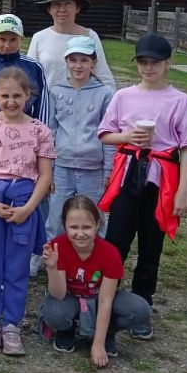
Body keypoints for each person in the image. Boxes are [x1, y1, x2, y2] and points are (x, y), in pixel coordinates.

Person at [97, 33, 187, 340]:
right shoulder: (124, 96)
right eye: (143, 62)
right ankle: (106, 301)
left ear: (168, 64)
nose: (148, 68)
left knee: (151, 246)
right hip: (128, 174)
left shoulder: (179, 100)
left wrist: (183, 190)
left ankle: (142, 306)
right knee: (116, 241)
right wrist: (126, 137)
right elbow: (104, 134)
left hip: (161, 178)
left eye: (155, 62)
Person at [0, 67, 55, 356]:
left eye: (18, 95)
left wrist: (29, 208)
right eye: (5, 95)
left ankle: (12, 324)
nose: (11, 101)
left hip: (23, 199)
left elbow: (44, 175)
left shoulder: (41, 130)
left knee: (17, 265)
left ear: (28, 95)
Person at [40, 195, 151, 366]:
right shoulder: (57, 247)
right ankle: (66, 330)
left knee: (140, 309)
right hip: (69, 299)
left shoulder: (110, 253)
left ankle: (106, 334)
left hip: (98, 299)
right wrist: (52, 267)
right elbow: (59, 294)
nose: (81, 233)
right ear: (64, 226)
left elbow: (106, 300)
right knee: (54, 312)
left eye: (87, 227)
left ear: (98, 225)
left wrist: (98, 344)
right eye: (74, 227)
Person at [45, 36, 114, 240]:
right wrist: (48, 168)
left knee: (94, 215)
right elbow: (50, 131)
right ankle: (55, 259)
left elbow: (108, 135)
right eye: (73, 60)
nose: (78, 65)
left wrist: (108, 169)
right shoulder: (56, 91)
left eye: (84, 60)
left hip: (94, 169)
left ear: (93, 63)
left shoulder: (104, 94)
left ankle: (94, 262)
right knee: (56, 215)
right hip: (62, 168)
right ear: (66, 62)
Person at [26, 0, 115, 88]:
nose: (62, 9)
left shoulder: (90, 36)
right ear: (49, 9)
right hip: (48, 102)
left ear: (77, 8)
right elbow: (29, 76)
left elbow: (104, 77)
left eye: (68, 4)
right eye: (56, 4)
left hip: (82, 102)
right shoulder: (39, 38)